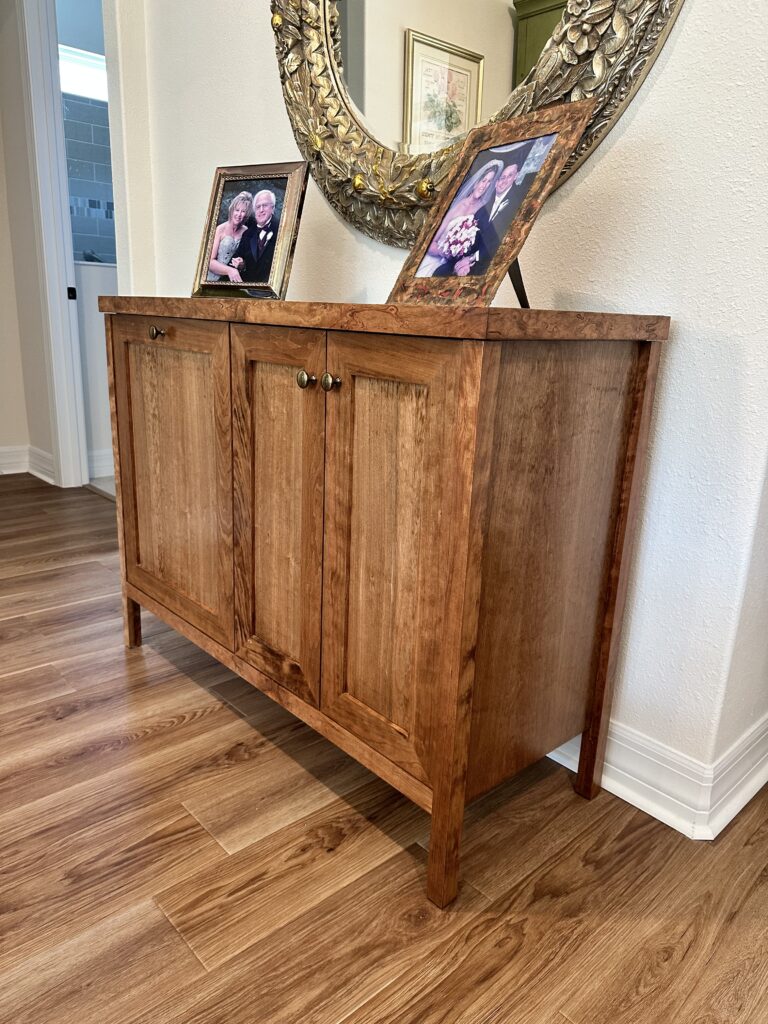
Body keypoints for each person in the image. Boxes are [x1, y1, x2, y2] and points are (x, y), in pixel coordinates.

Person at [415, 160, 503, 277]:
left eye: (489, 182)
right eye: (483, 181)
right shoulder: (457, 205)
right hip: (435, 258)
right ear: (476, 182)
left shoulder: (484, 210)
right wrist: (446, 252)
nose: (484, 186)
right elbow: (430, 243)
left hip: (456, 266)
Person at [453, 161, 525, 277]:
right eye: (502, 177)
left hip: (492, 263)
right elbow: (474, 239)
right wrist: (463, 259)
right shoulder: (482, 210)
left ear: (516, 176)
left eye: (510, 176)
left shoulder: (517, 204)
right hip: (470, 261)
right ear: (496, 183)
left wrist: (471, 259)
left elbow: (500, 239)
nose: (504, 181)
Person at [231, 189, 281, 283]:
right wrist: (241, 265)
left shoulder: (282, 230)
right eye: (258, 207)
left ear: (272, 208)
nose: (261, 210)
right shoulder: (247, 234)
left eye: (265, 205)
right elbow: (234, 261)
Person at [207, 191, 252, 282]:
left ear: (246, 215)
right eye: (237, 210)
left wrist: (241, 265)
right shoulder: (220, 229)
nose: (239, 215)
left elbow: (247, 262)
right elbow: (209, 262)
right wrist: (230, 270)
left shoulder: (247, 231)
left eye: (243, 211)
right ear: (232, 210)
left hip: (231, 281)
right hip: (211, 279)